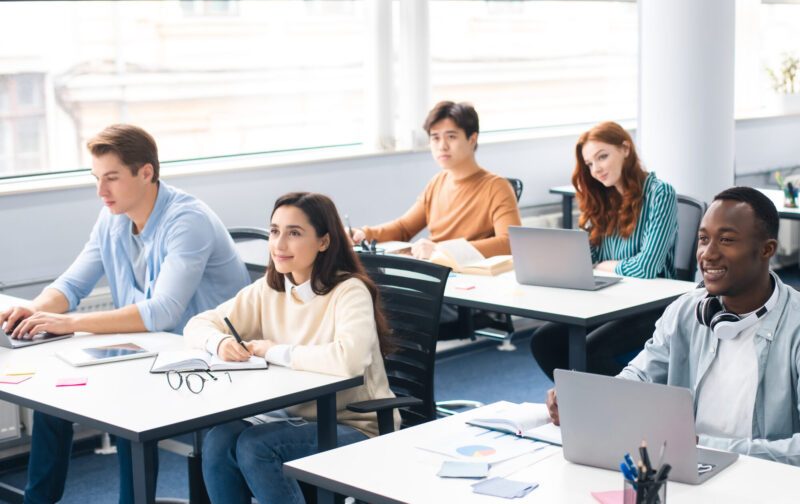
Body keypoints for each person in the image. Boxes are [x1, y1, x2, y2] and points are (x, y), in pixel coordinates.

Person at [0, 124, 251, 504]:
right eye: (97, 179)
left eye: (112, 179)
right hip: (150, 350)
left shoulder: (188, 220)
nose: (101, 192)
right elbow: (71, 286)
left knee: (124, 409)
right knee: (53, 401)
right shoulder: (112, 217)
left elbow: (163, 312)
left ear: (146, 172)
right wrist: (32, 310)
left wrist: (68, 323)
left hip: (205, 359)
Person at [546, 187, 800, 464]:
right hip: (685, 468)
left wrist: (706, 446)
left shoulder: (794, 325)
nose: (708, 254)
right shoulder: (687, 311)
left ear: (767, 250)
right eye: (703, 239)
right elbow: (639, 378)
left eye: (726, 239)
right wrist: (587, 401)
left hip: (762, 479)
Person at [184, 192, 397, 503]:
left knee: (257, 446)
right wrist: (221, 342)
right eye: (274, 231)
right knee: (218, 441)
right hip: (292, 419)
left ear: (324, 241)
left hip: (355, 423)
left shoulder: (349, 291)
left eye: (294, 233)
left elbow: (348, 360)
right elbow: (198, 324)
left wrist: (272, 350)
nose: (279, 244)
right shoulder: (268, 290)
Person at [530, 121, 678, 379]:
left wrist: (604, 266)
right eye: (589, 164)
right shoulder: (605, 198)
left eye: (602, 157)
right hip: (612, 301)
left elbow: (646, 268)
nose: (596, 169)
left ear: (625, 149)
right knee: (543, 341)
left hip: (654, 306)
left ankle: (629, 404)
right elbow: (588, 261)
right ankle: (581, 401)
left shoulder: (659, 193)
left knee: (589, 352)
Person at [350, 100, 521, 261]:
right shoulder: (437, 182)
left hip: (469, 278)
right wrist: (363, 233)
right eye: (435, 138)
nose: (442, 146)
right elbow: (403, 228)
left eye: (451, 137)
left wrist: (442, 250)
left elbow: (509, 243)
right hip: (433, 270)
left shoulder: (497, 187)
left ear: (472, 139)